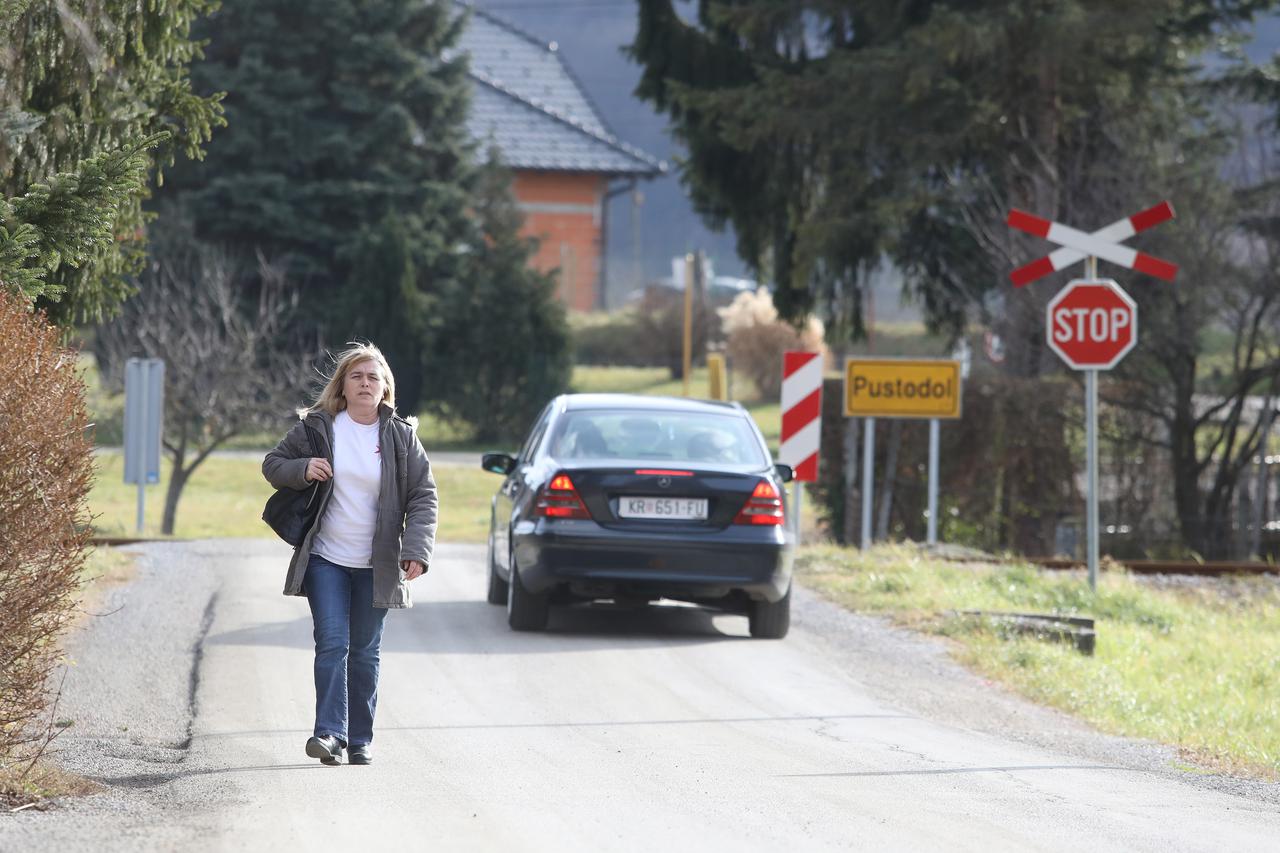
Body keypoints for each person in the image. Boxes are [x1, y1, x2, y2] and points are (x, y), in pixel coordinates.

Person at [262, 343, 437, 766]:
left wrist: (416, 549)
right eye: (356, 376)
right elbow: (272, 464)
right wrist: (302, 469)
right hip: (326, 558)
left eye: (372, 377)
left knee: (364, 650)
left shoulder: (400, 436)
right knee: (332, 643)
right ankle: (328, 733)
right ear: (343, 385)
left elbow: (423, 496)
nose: (364, 383)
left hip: (376, 565)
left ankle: (359, 739)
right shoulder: (318, 428)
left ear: (384, 389)